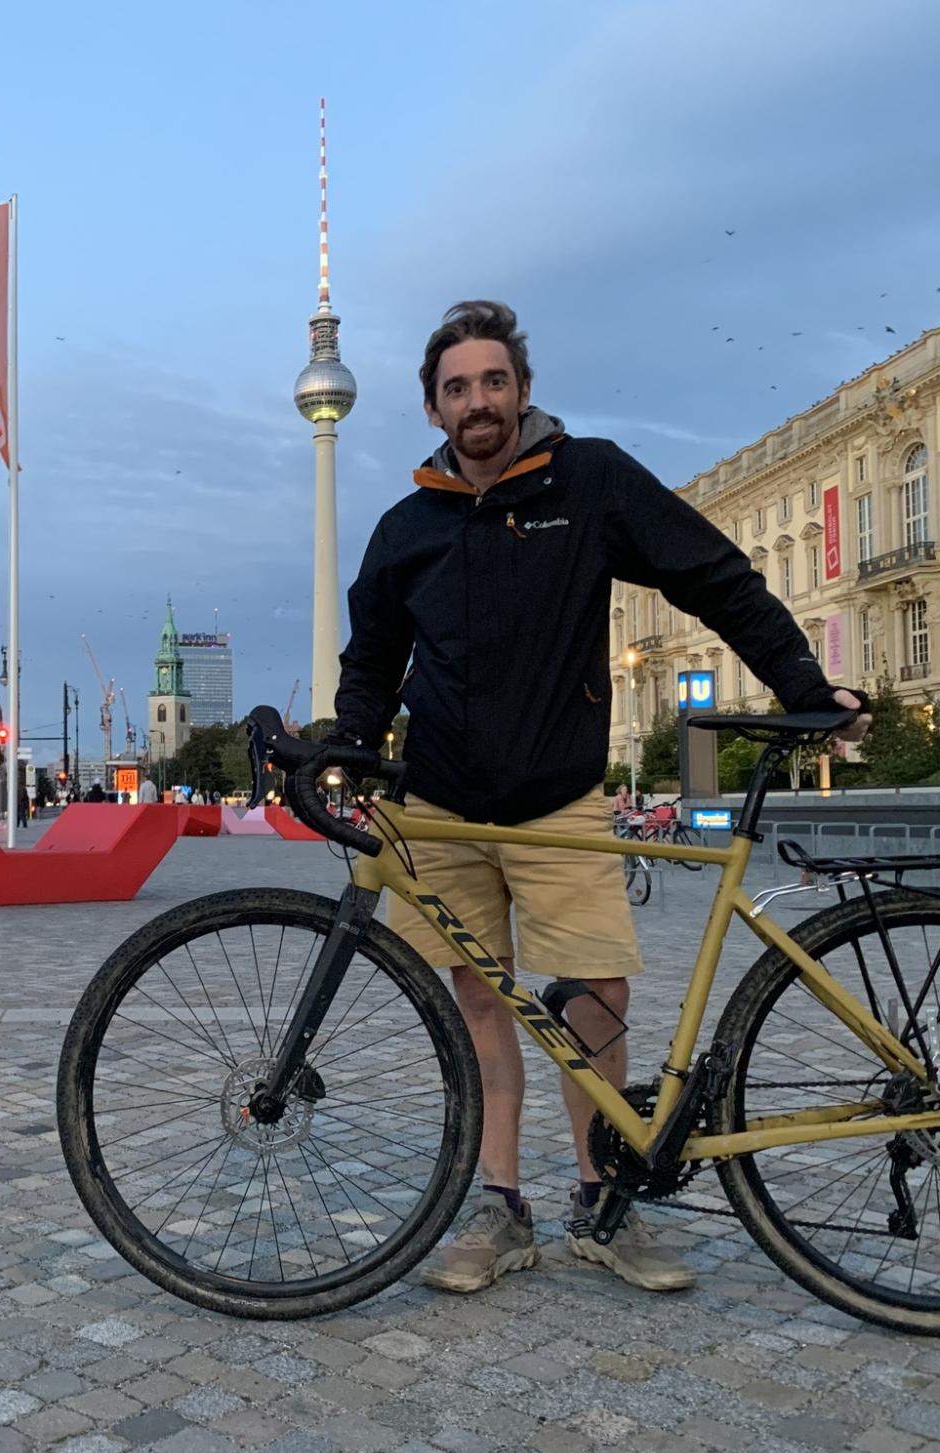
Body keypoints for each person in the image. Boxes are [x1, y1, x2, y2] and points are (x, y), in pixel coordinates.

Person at [331, 299, 868, 1299]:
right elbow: (369, 662)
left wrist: (802, 684)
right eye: (457, 388)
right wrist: (350, 749)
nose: (478, 401)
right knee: (479, 1000)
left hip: (555, 796)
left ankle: (601, 1199)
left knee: (595, 1000)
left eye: (494, 381)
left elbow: (713, 576)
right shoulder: (406, 528)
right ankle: (500, 1204)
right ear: (432, 407)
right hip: (443, 803)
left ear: (522, 391)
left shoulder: (591, 482)